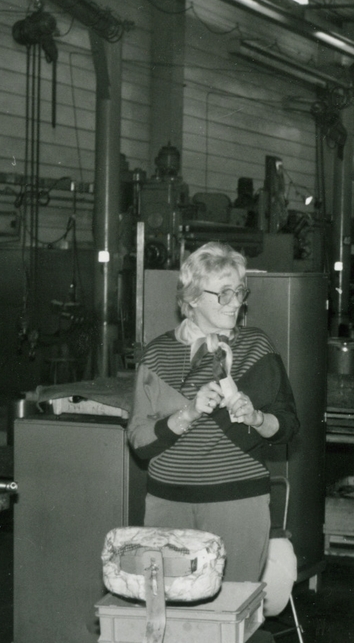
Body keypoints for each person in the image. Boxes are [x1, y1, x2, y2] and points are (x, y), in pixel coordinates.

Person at [127, 241, 299, 584]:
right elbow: (140, 443)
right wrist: (188, 413)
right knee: (170, 606)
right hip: (168, 506)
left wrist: (256, 418)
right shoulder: (157, 355)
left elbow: (289, 427)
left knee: (233, 607)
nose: (236, 303)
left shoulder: (257, 348)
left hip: (239, 504)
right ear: (192, 298)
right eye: (224, 294)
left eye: (240, 292)